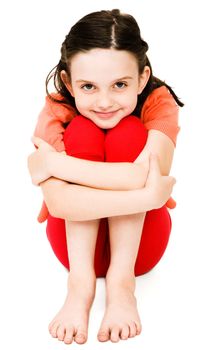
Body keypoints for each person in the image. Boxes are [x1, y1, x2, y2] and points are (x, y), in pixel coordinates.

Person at [28, 9, 183, 345]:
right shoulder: (57, 108)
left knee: (128, 130)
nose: (104, 101)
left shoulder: (158, 102)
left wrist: (55, 166)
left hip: (142, 245)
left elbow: (147, 172)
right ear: (69, 82)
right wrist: (146, 195)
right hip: (73, 248)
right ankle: (80, 287)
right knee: (82, 129)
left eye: (120, 85)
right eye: (88, 86)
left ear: (142, 78)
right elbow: (58, 202)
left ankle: (121, 285)